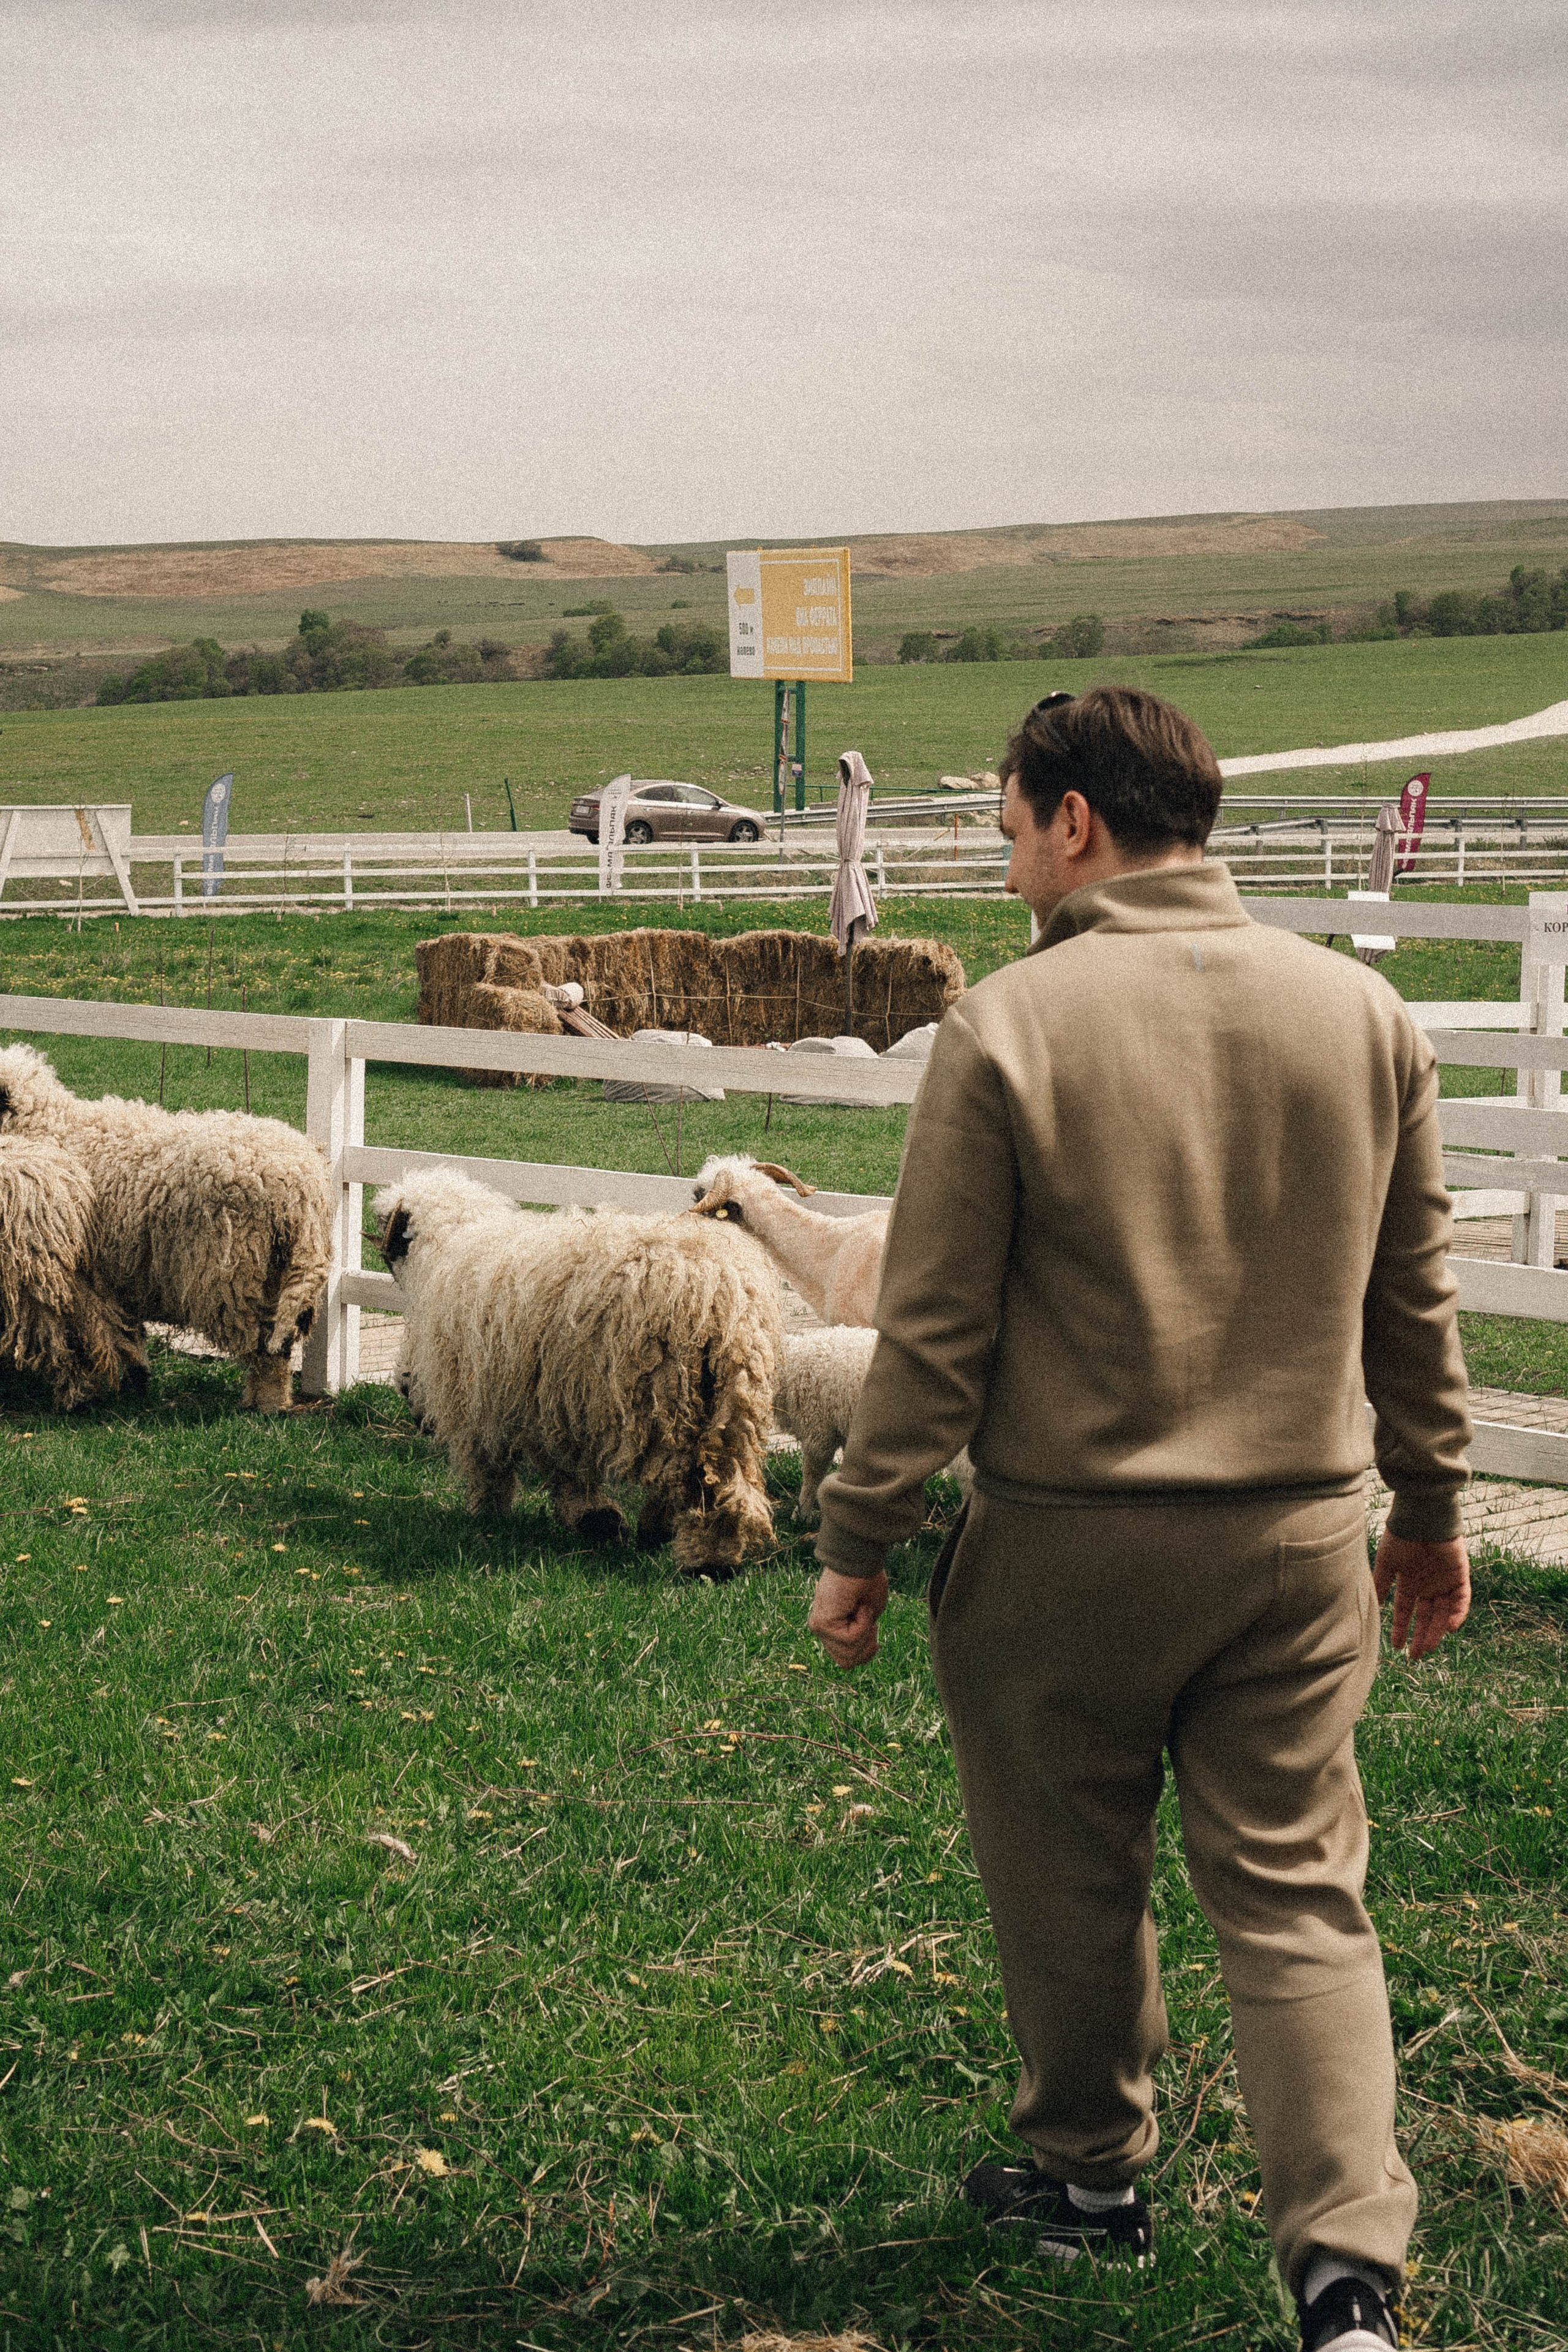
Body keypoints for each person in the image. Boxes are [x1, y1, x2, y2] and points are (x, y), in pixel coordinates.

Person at [806, 686, 1472, 2352]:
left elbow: (936, 1330)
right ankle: (1345, 2282)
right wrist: (1434, 1502)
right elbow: (1418, 1302)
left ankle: (1090, 2176)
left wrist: (860, 1534)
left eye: (1011, 817)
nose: (1005, 848)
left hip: (1065, 1545)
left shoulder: (1009, 1029)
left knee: (1067, 1864)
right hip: (1302, 1547)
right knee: (1301, 1895)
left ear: (1077, 821)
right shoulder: (1364, 1016)